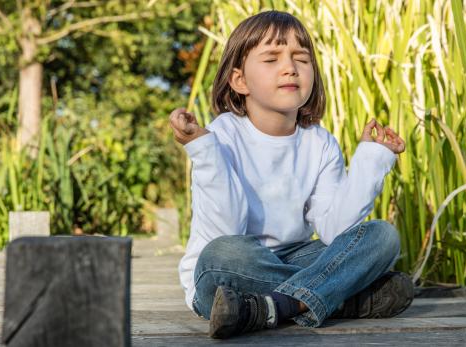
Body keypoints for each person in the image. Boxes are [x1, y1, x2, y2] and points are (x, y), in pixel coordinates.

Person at [168, 10, 413, 339]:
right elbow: (227, 229)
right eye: (271, 59)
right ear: (239, 80)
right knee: (222, 254)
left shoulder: (320, 142)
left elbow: (335, 229)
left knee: (382, 237)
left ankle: (273, 307)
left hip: (295, 254)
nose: (290, 67)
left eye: (301, 57)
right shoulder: (222, 135)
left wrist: (372, 158)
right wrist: (202, 150)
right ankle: (341, 299)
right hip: (228, 273)